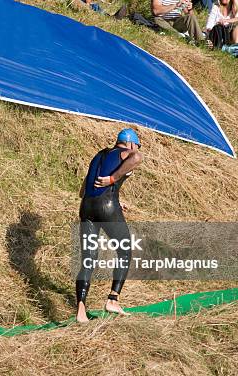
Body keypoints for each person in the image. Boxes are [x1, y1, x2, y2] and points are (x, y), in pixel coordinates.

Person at [75, 128, 143, 323]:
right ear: (130, 144)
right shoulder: (128, 152)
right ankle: (113, 299)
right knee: (125, 250)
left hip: (86, 207)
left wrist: (114, 197)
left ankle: (81, 310)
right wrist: (112, 181)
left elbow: (83, 190)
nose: (135, 149)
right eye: (135, 145)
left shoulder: (99, 155)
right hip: (107, 207)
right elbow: (137, 158)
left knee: (88, 259)